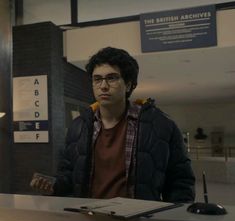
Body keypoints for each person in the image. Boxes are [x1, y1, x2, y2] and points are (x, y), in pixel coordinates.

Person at [31, 47, 195, 203]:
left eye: (111, 78)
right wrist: (53, 185)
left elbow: (180, 182)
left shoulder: (160, 125)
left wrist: (173, 217)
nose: (103, 86)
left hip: (137, 220)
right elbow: (69, 175)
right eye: (97, 79)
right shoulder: (78, 127)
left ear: (129, 85)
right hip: (88, 218)